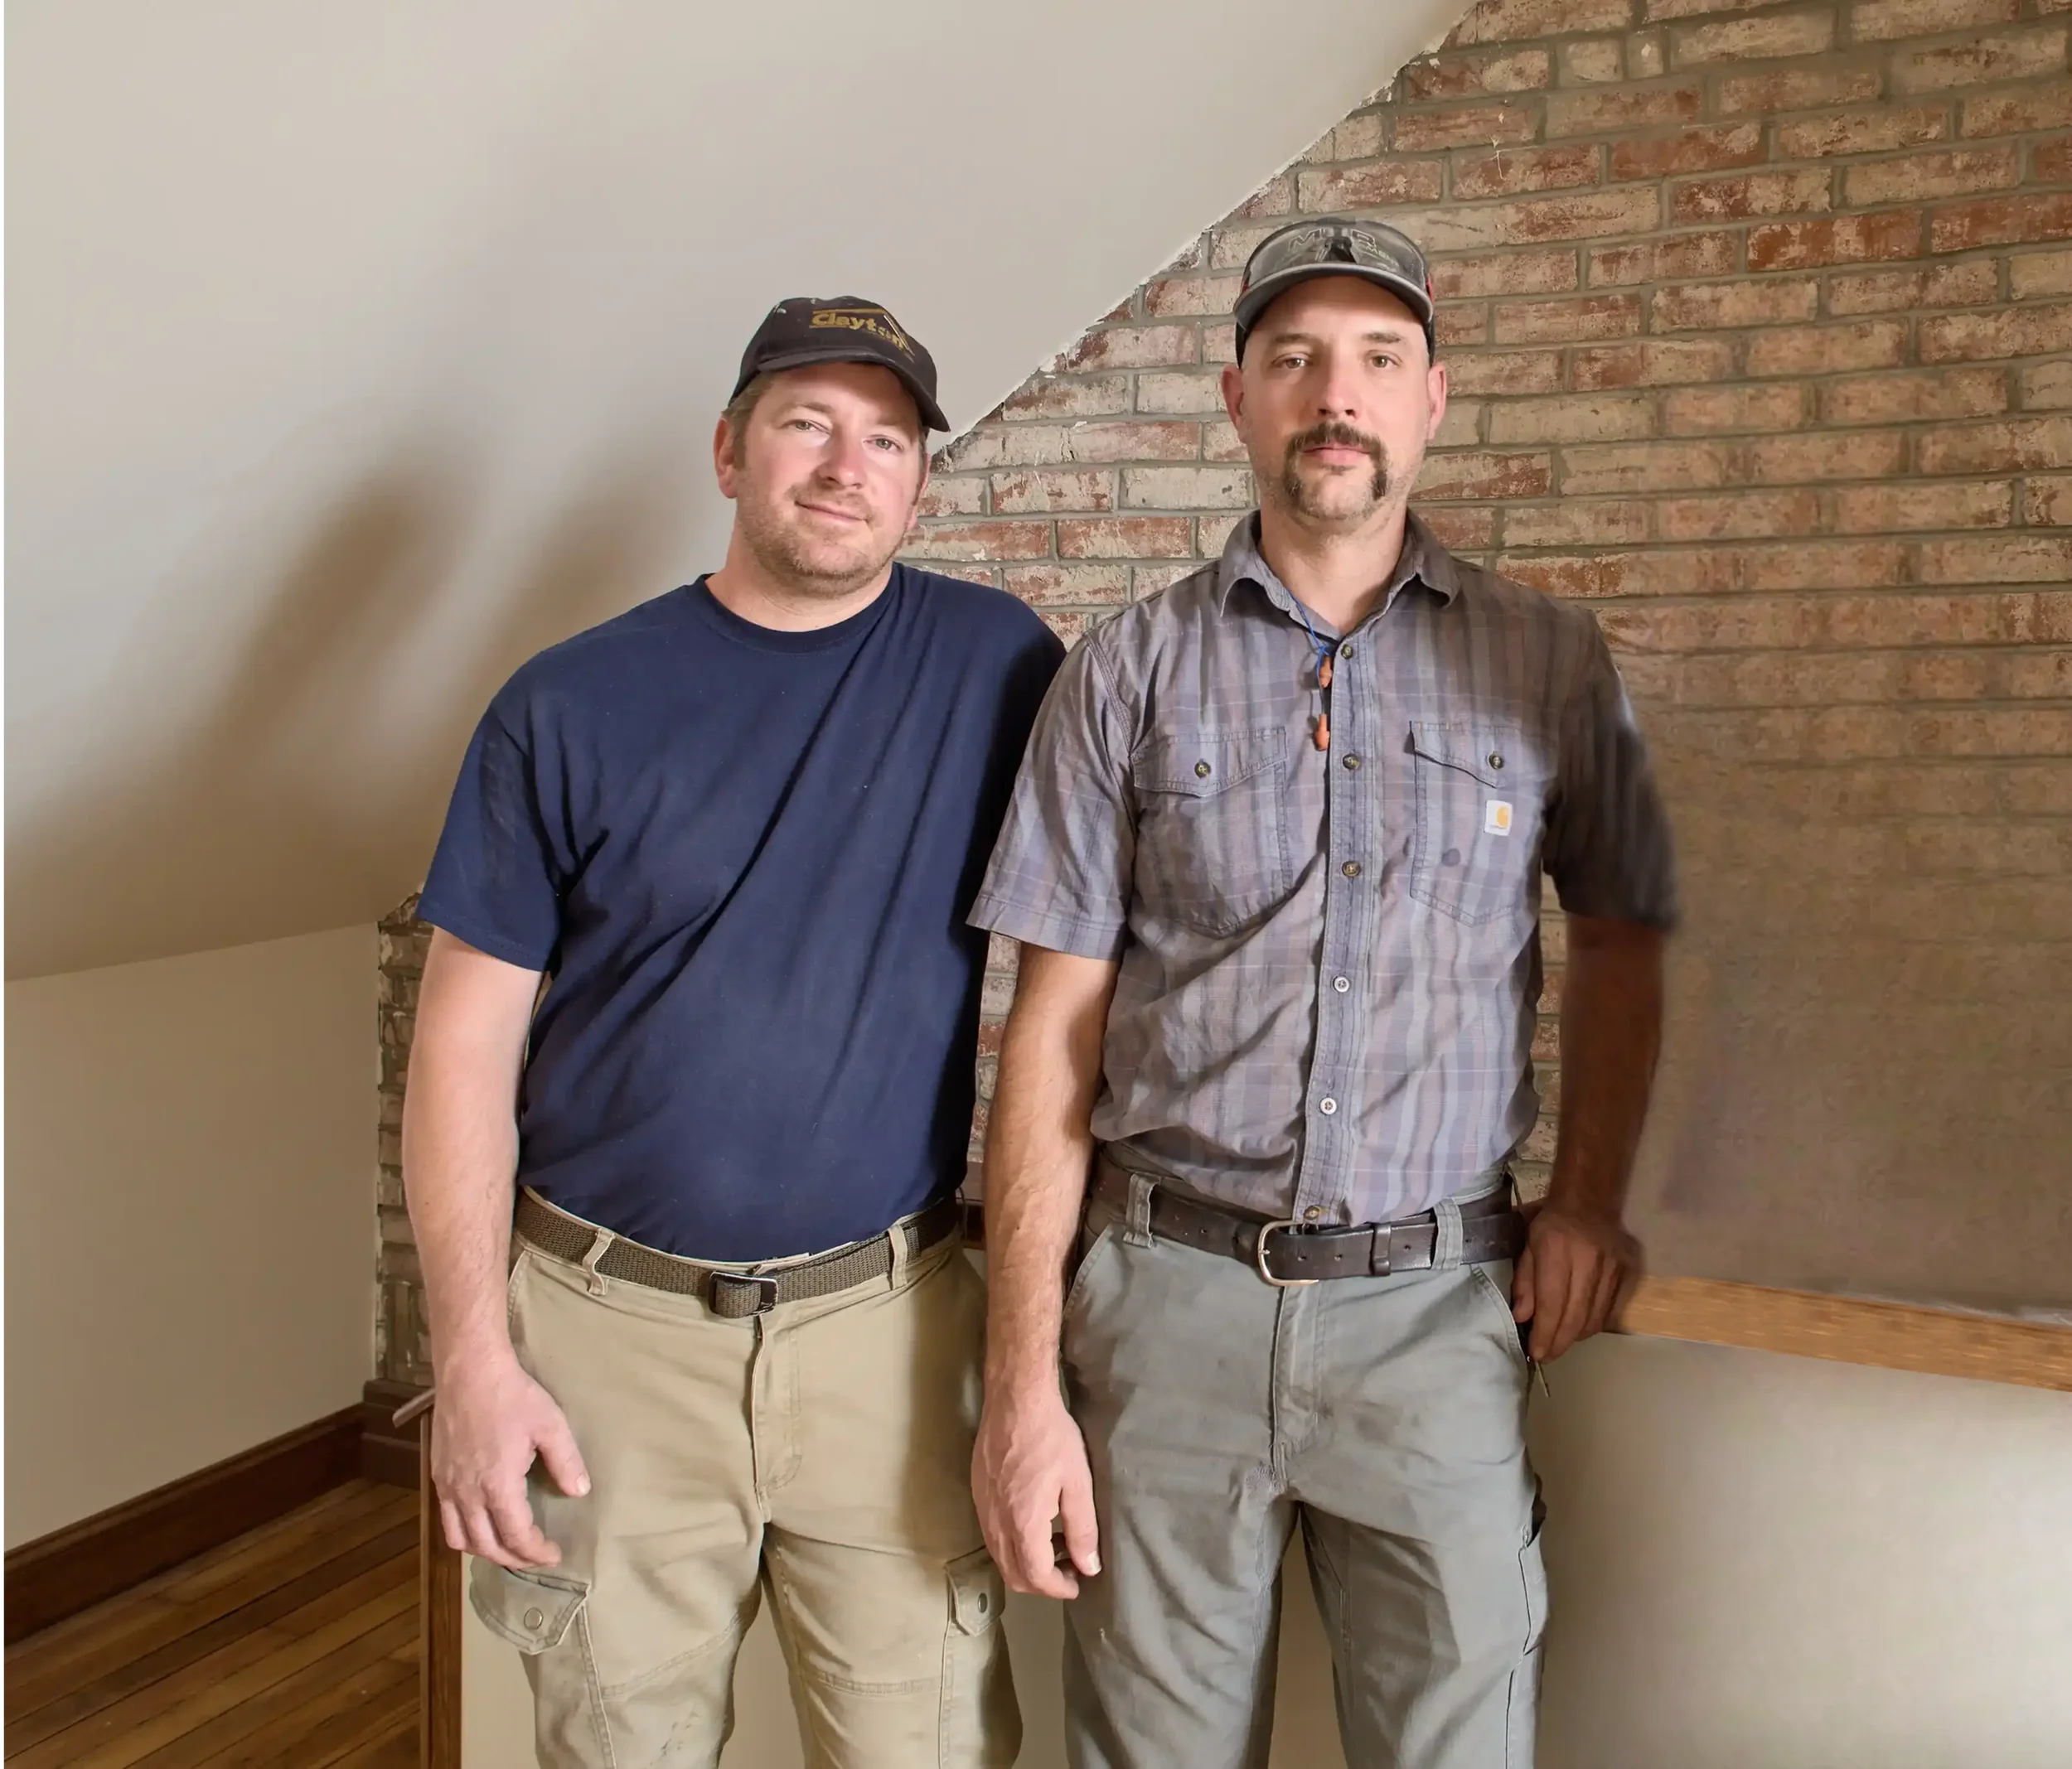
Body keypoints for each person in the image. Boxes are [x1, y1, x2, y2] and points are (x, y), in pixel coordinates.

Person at [966, 218, 1677, 1769]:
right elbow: (1054, 1032)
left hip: (1434, 1315)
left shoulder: (1552, 662)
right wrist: (1024, 1386)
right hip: (1165, 1314)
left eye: (1375, 359)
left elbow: (1623, 941)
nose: (1332, 393)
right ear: (1238, 400)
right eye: (1292, 359)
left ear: (1434, 397)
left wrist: (1593, 1199)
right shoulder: (1127, 672)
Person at [404, 295, 1061, 1769]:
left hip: (886, 1334)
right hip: (601, 1341)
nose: (847, 466)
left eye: (887, 438)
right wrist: (471, 1361)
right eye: (807, 425)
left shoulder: (1000, 665)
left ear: (918, 482)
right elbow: (460, 1052)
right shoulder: (565, 704)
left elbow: (1141, 866)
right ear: (728, 452)